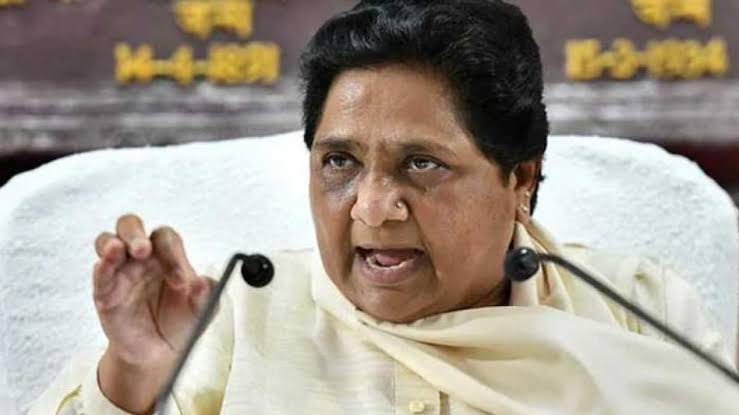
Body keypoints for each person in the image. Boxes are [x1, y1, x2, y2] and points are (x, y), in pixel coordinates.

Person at [31, 1, 739, 414]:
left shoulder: (635, 306)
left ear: (519, 178)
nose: (371, 210)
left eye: (421, 164)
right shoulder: (231, 318)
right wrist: (134, 380)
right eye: (339, 162)